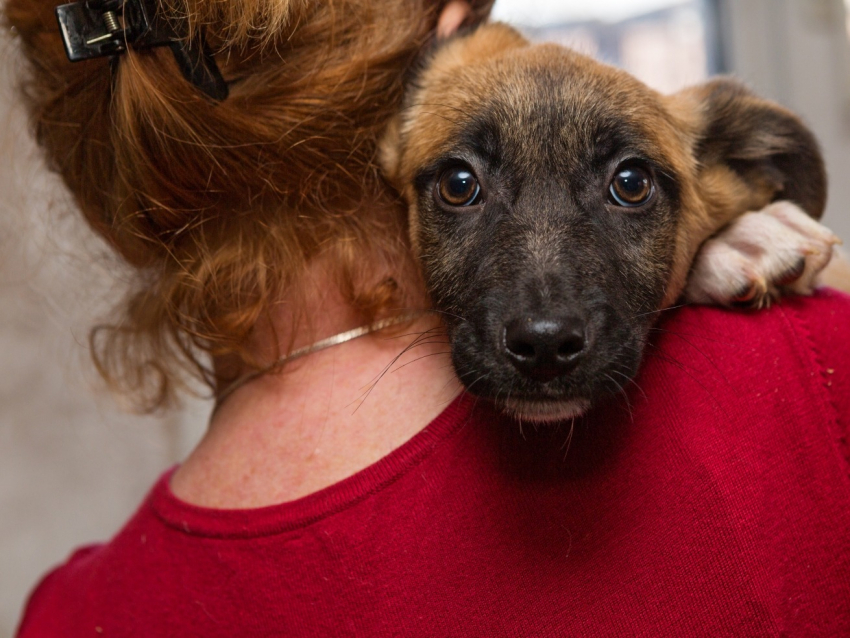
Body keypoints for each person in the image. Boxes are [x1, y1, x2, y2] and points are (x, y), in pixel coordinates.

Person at [10, 0, 850, 635]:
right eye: (459, 187)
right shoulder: (812, 376)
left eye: (631, 188)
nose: (545, 325)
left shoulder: (65, 619)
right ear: (447, 33)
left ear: (110, 200)